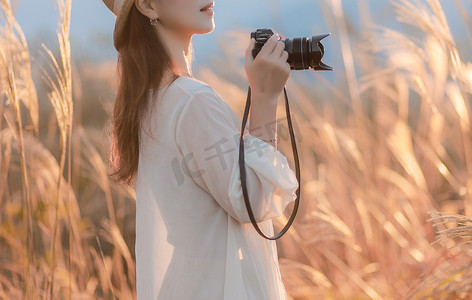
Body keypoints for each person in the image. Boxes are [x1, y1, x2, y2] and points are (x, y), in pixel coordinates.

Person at [102, 0, 299, 299]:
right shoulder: (191, 100)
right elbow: (254, 201)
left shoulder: (149, 100)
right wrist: (265, 97)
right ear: (147, 5)